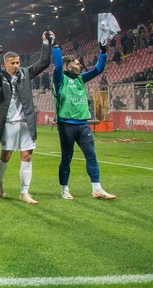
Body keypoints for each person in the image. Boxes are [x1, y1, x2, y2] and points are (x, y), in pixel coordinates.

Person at [0, 31, 53, 205]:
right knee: (6, 156)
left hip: (26, 123)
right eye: (13, 63)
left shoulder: (25, 73)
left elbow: (44, 63)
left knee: (27, 156)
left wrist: (46, 44)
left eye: (18, 62)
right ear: (6, 64)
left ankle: (24, 192)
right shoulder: (0, 77)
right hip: (8, 124)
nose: (16, 65)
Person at [53, 42, 116, 200]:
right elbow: (58, 67)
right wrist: (55, 47)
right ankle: (64, 189)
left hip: (82, 124)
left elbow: (98, 69)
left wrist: (102, 51)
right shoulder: (60, 79)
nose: (79, 64)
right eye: (76, 62)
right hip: (66, 124)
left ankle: (97, 189)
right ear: (67, 66)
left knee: (91, 155)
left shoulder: (81, 79)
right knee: (67, 158)